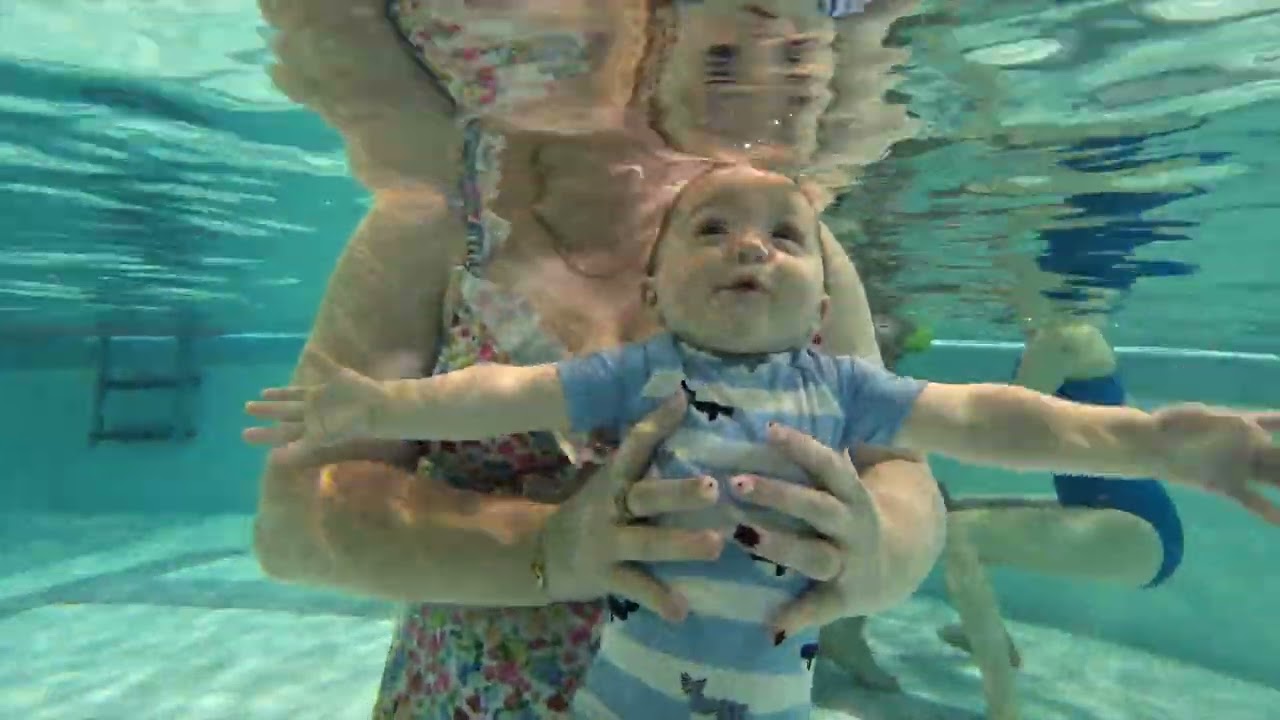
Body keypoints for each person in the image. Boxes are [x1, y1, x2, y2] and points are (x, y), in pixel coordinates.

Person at [247, 165, 1280, 719]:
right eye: (716, 236)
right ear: (653, 287)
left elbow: (973, 424)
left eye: (782, 240)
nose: (753, 245)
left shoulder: (793, 268)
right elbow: (480, 402)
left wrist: (1158, 442)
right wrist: (387, 418)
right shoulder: (444, 214)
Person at [249, 2, 946, 717]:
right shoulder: (443, 223)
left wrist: (880, 557)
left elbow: (896, 465)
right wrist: (545, 548)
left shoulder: (771, 235)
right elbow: (296, 519)